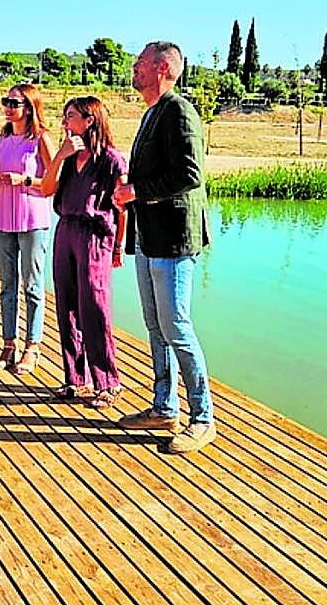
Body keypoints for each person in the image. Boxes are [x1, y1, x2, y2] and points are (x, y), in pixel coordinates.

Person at [114, 41, 216, 454]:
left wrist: (137, 190)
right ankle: (164, 406)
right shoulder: (152, 112)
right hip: (149, 236)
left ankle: (203, 417)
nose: (133, 69)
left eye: (139, 63)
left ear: (160, 68)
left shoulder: (178, 111)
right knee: (155, 324)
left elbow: (189, 173)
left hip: (175, 238)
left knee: (176, 325)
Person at [40, 96, 127, 410]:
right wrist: (60, 156)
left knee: (94, 307)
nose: (65, 122)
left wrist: (118, 247)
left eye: (71, 116)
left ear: (90, 120)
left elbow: (122, 208)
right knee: (66, 306)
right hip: (65, 230)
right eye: (64, 116)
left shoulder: (111, 160)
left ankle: (108, 382)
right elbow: (45, 189)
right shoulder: (70, 158)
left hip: (95, 235)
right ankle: (75, 380)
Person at [0, 84, 54, 374]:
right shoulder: (2, 137)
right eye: (6, 101)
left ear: (29, 106)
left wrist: (25, 180)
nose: (8, 107)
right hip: (4, 219)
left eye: (15, 102)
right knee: (6, 286)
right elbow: (4, 173)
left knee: (33, 287)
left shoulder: (41, 139)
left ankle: (32, 346)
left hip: (33, 220)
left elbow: (54, 183)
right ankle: (8, 344)